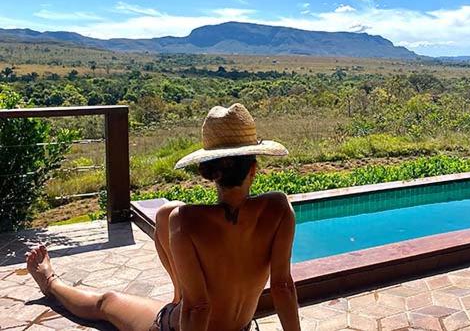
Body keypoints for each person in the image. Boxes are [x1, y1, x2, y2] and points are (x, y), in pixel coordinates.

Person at [26, 103, 301, 331]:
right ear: (253, 169)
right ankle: (178, 294)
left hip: (184, 325)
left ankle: (50, 282)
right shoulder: (278, 208)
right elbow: (283, 286)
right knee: (166, 212)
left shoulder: (187, 221)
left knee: (106, 303)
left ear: (209, 172)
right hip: (242, 326)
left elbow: (199, 308)